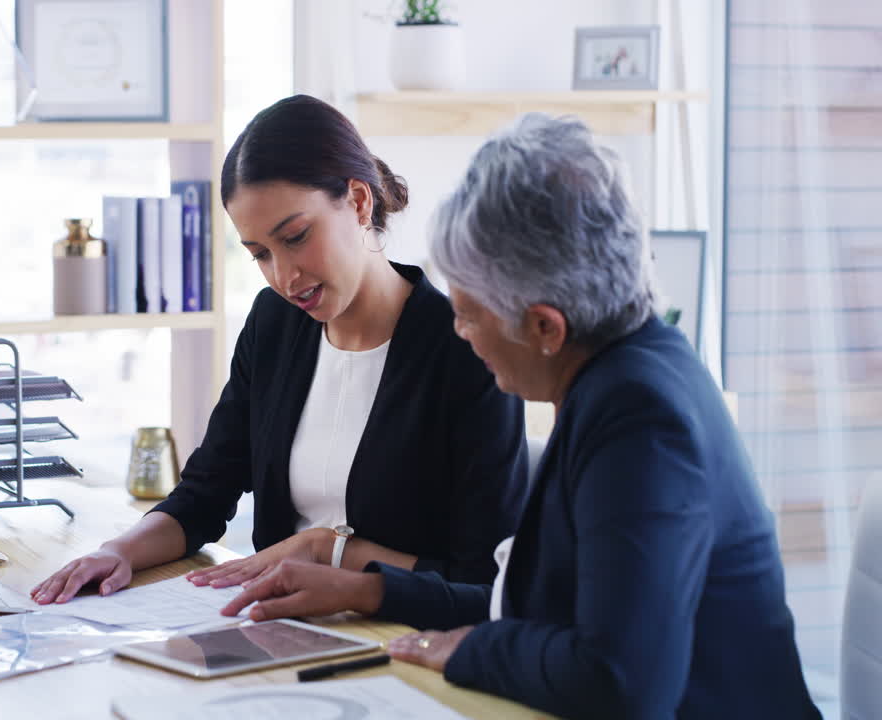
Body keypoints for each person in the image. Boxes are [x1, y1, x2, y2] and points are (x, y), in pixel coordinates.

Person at [220, 114, 820, 719]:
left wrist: (469, 651)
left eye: (470, 313)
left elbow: (620, 681)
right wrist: (375, 590)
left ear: (544, 327)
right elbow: (539, 610)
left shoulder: (641, 419)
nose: (458, 331)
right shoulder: (627, 373)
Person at [31, 94, 529, 606]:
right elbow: (204, 496)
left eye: (296, 237)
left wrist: (328, 550)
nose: (283, 277)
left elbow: (483, 584)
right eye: (261, 254)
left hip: (404, 643)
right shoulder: (273, 325)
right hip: (275, 629)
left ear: (359, 202)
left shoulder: (467, 350)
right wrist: (119, 551)